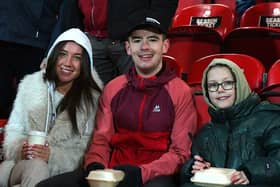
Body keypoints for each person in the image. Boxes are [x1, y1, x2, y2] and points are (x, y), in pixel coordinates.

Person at [36, 9, 197, 187]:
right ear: (128, 48)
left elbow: (180, 153)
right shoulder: (114, 88)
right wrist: (95, 165)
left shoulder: (180, 91)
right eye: (137, 40)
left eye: (152, 40)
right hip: (113, 171)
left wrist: (141, 173)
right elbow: (101, 140)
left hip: (155, 175)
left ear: (165, 46)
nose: (144, 47)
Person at [0, 28, 103, 187]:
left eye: (76, 58)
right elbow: (13, 131)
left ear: (84, 64)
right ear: (54, 56)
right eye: (62, 54)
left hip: (63, 173)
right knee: (28, 168)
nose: (67, 63)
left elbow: (86, 150)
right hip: (21, 165)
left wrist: (51, 156)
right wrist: (21, 149)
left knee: (37, 169)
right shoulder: (30, 85)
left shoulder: (91, 99)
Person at [180, 58, 280, 187]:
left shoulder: (270, 118)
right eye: (213, 85)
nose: (220, 90)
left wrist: (251, 173)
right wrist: (193, 169)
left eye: (227, 83)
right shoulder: (205, 133)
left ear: (239, 84)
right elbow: (191, 171)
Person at [0, 0, 83, 118]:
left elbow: (66, 14)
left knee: (31, 105)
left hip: (35, 46)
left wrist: (52, 52)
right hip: (17, 40)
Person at [78, 0, 179, 84]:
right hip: (92, 39)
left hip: (133, 38)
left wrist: (150, 27)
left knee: (138, 95)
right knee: (100, 100)